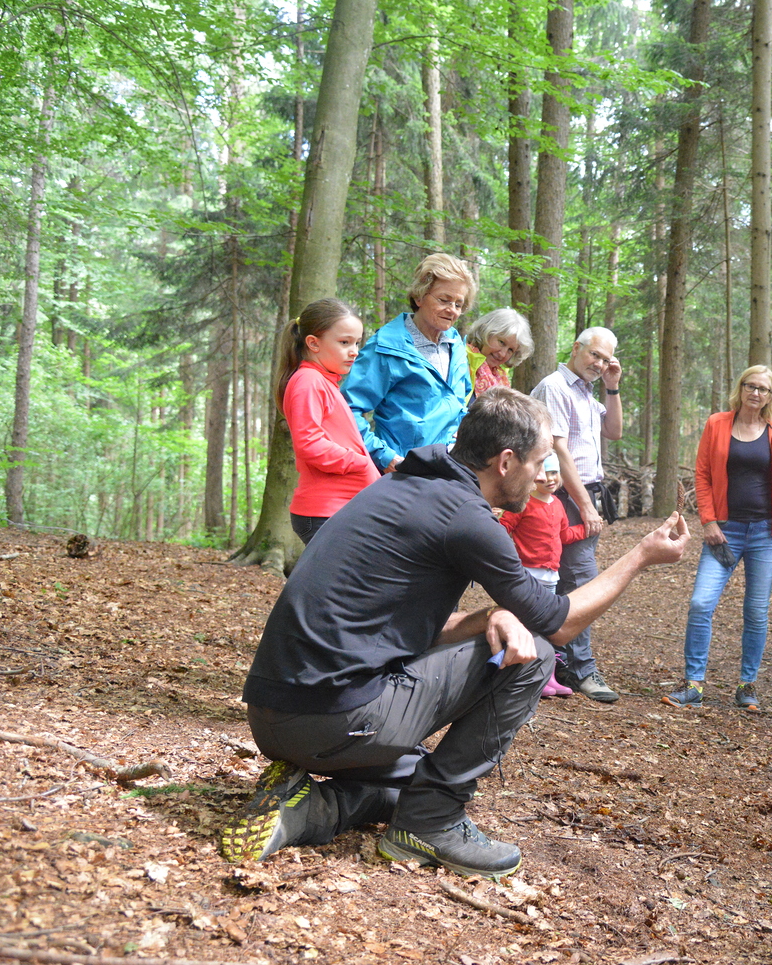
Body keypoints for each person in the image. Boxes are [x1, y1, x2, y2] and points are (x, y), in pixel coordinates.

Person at [219, 388, 690, 878]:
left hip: (277, 718)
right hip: (332, 719)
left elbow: (390, 627)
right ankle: (432, 822)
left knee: (415, 775)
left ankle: (307, 807)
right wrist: (640, 556)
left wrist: (487, 616)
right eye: (537, 462)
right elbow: (559, 622)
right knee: (539, 654)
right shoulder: (464, 517)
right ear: (506, 461)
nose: (541, 475)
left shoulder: (407, 484)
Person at [662, 365, 772, 712]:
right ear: (740, 389)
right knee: (700, 603)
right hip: (724, 530)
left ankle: (746, 685)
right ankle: (693, 684)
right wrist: (708, 521)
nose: (756, 393)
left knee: (755, 611)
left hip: (766, 533)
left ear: (771, 396)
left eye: (763, 389)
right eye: (750, 386)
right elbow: (703, 473)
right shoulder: (717, 423)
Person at [530, 327, 624, 703]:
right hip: (564, 496)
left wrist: (612, 387)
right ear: (576, 348)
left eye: (606, 359)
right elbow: (558, 450)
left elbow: (613, 431)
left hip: (588, 494)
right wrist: (584, 505)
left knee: (569, 581)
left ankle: (555, 662)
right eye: (595, 356)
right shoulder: (555, 386)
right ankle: (578, 667)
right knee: (582, 584)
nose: (599, 364)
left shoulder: (586, 390)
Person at [341, 253, 474, 473]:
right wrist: (385, 457)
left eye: (459, 304)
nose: (452, 310)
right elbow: (347, 409)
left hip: (450, 472)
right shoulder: (386, 347)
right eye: (444, 300)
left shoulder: (456, 345)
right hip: (405, 476)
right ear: (419, 297)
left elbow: (464, 401)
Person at [274, 299, 378, 545]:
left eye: (356, 343)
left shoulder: (323, 382)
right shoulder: (308, 381)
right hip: (325, 512)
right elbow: (309, 444)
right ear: (313, 343)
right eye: (344, 343)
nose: (354, 351)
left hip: (341, 510)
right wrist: (360, 462)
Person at [500, 455, 585, 698]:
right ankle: (527, 676)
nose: (550, 479)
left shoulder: (557, 504)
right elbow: (503, 527)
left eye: (555, 473)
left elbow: (564, 535)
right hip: (528, 575)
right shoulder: (524, 502)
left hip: (551, 577)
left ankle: (550, 676)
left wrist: (585, 529)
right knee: (526, 625)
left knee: (547, 628)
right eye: (544, 473)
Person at [464, 307, 533, 397]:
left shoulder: (500, 377)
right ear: (486, 332)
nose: (502, 354)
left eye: (510, 350)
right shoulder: (461, 359)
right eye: (501, 342)